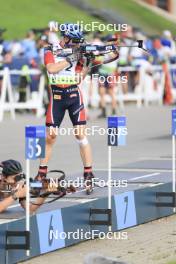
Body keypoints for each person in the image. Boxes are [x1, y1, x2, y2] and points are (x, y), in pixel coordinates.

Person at [36, 23, 118, 194]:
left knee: (80, 135)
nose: (76, 45)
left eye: (77, 42)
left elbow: (82, 75)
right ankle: (41, 174)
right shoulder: (50, 49)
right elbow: (51, 69)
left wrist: (100, 56)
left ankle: (88, 173)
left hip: (74, 95)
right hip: (57, 97)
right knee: (50, 137)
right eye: (73, 42)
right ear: (65, 38)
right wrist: (70, 58)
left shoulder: (79, 51)